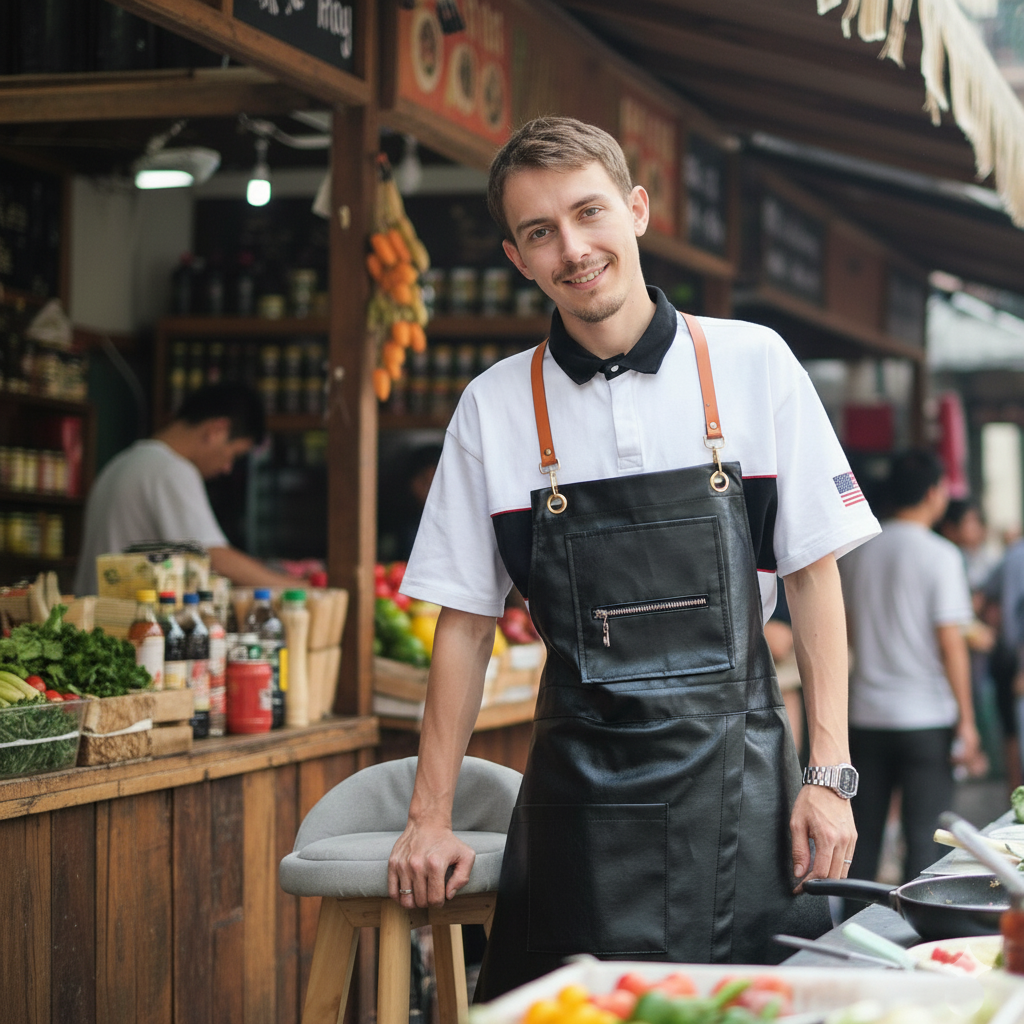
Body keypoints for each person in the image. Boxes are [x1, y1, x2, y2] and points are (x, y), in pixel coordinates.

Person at [388, 116, 879, 997]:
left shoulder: (753, 363)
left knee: (742, 1011)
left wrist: (830, 776)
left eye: (589, 213)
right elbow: (464, 627)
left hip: (740, 790)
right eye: (541, 232)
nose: (573, 249)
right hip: (580, 803)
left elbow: (814, 574)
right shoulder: (494, 407)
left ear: (637, 209)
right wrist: (430, 818)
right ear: (517, 256)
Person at [840, 449, 980, 884]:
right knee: (924, 842)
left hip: (865, 717)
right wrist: (968, 722)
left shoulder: (856, 552)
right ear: (935, 494)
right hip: (925, 720)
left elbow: (845, 633)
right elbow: (951, 645)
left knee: (861, 841)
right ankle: (920, 940)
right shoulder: (941, 555)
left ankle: (850, 937)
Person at [74, 383, 297, 596]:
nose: (228, 468)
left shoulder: (121, 463)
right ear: (217, 430)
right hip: (126, 626)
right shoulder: (171, 470)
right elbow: (214, 557)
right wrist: (297, 588)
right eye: (234, 454)